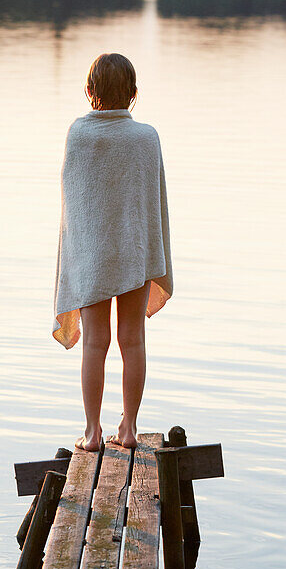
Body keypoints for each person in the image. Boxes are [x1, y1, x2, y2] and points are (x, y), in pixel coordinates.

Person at [52, 52, 173, 451]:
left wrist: (79, 256)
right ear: (134, 93)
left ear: (90, 92)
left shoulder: (78, 134)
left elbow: (76, 208)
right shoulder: (147, 137)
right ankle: (130, 429)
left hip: (93, 257)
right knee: (133, 340)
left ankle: (92, 432)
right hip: (136, 254)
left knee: (94, 342)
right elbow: (155, 204)